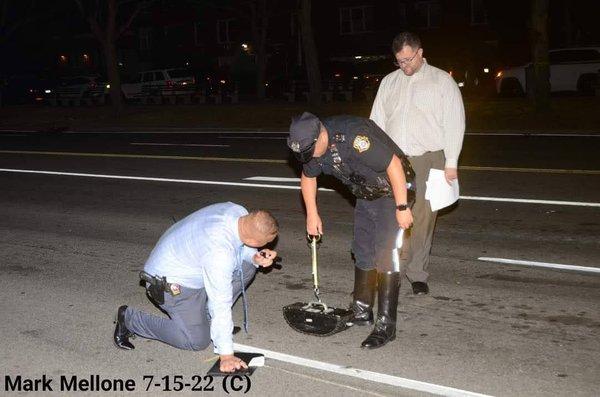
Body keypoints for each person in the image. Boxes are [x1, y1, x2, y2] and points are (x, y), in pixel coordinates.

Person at [287, 112, 416, 349]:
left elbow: (394, 165)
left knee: (386, 254)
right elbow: (308, 177)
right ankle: (361, 311)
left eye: (311, 152)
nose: (310, 158)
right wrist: (312, 214)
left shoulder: (354, 137)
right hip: (366, 193)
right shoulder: (310, 145)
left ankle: (386, 325)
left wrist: (402, 206)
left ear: (321, 135)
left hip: (394, 190)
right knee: (362, 249)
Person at [113, 202, 278, 373]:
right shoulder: (219, 253)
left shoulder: (238, 212)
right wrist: (226, 355)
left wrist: (255, 257)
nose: (267, 246)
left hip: (189, 262)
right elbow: (220, 302)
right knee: (196, 340)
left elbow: (242, 248)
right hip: (168, 284)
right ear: (252, 239)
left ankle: (207, 320)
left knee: (248, 265)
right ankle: (129, 319)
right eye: (264, 243)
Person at [370, 32, 465, 295]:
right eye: (399, 61)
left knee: (423, 217)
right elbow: (376, 122)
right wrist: (374, 158)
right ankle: (394, 269)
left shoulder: (442, 82)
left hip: (429, 158)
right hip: (394, 159)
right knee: (394, 214)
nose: (405, 66)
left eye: (409, 59)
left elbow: (455, 123)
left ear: (421, 53)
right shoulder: (389, 83)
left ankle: (417, 273)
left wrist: (452, 162)